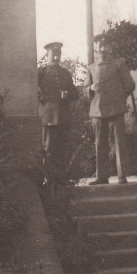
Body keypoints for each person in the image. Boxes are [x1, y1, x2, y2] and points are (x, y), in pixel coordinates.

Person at [88, 40, 136, 185]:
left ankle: (122, 175)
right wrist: (90, 88)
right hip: (98, 109)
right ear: (95, 48)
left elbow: (130, 84)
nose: (101, 48)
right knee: (100, 144)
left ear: (109, 48)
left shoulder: (118, 64)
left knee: (119, 142)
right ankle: (102, 176)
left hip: (115, 107)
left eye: (104, 45)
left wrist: (119, 97)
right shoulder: (91, 67)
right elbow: (86, 87)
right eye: (98, 45)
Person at [37, 42, 78, 176]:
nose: (56, 58)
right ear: (47, 55)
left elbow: (75, 94)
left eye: (58, 54)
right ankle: (48, 179)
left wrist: (68, 95)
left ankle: (62, 180)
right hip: (48, 117)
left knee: (63, 149)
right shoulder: (40, 74)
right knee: (48, 149)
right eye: (53, 54)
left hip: (63, 117)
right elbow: (34, 94)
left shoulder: (65, 73)